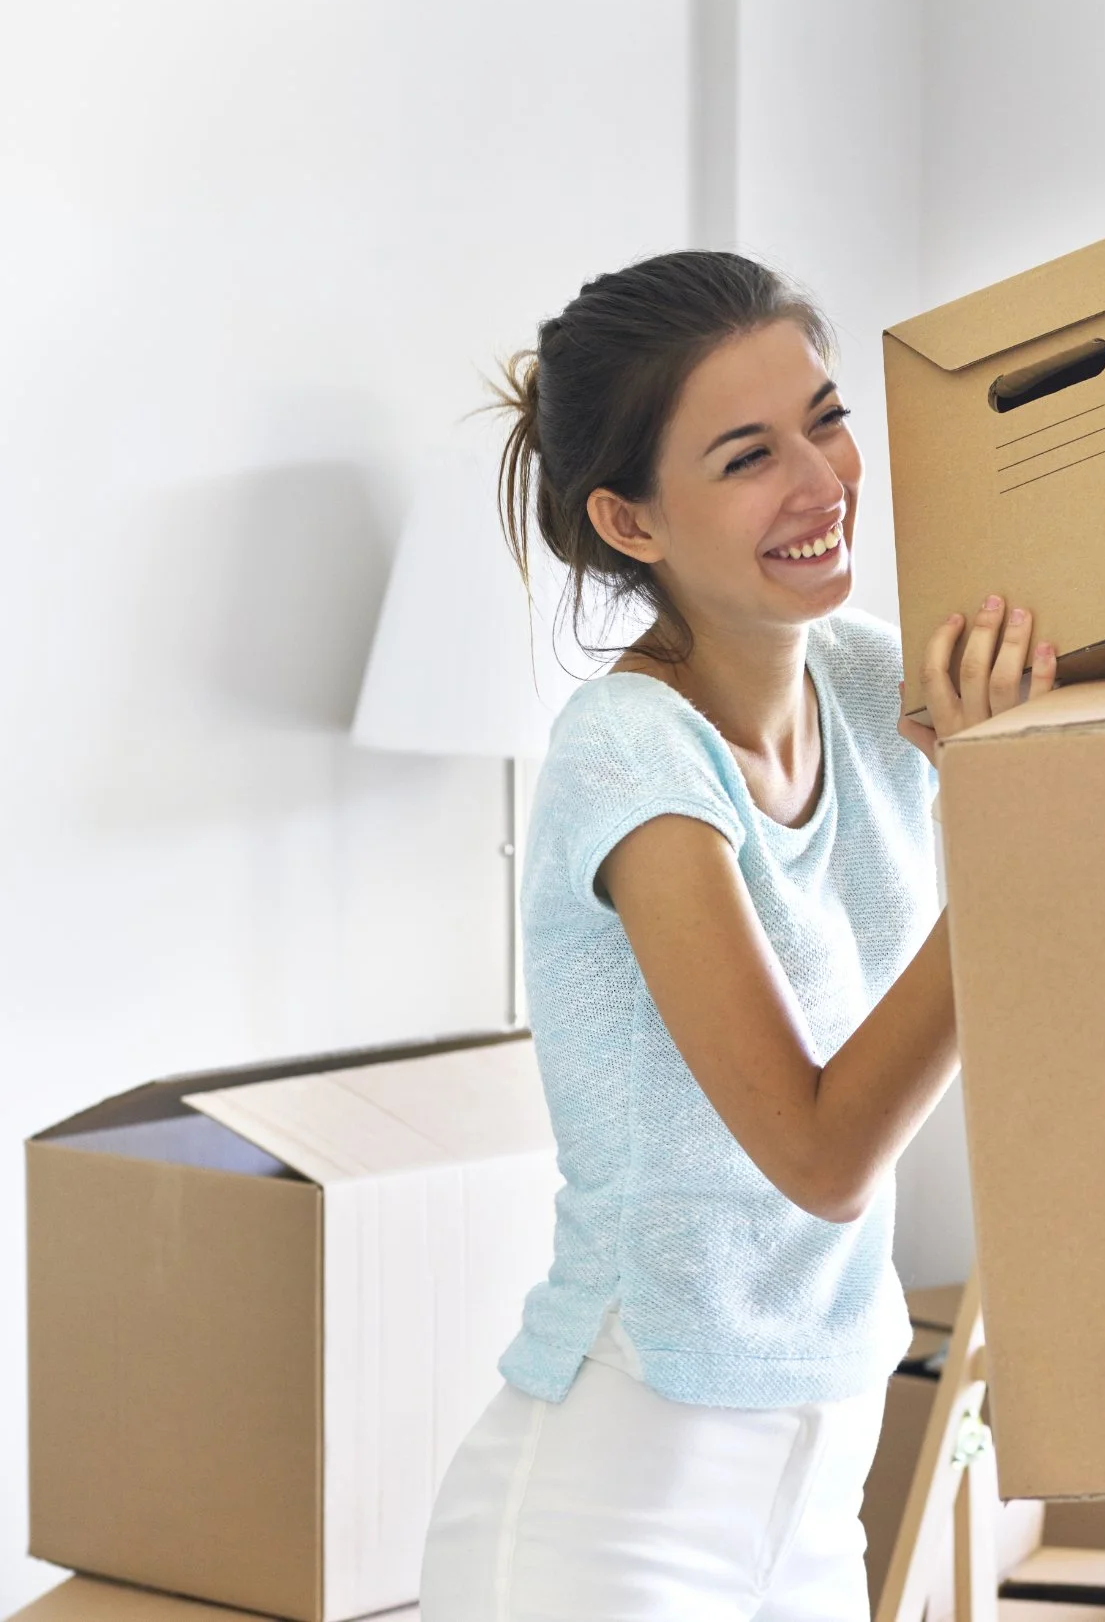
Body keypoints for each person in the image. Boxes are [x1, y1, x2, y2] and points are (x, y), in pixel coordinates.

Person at [420, 253, 1047, 1620]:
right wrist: (1013, 835)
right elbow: (819, 1152)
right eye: (748, 455)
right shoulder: (628, 753)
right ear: (630, 521)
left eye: (825, 418)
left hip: (822, 1475)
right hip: (615, 1499)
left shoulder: (871, 679)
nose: (821, 482)